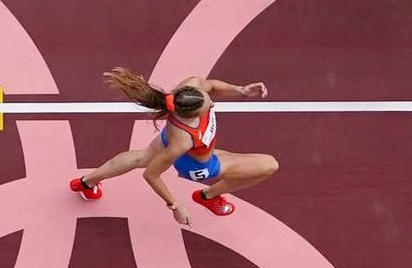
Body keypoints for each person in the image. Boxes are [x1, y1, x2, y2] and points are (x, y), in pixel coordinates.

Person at [70, 68, 278, 221]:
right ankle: (208, 196)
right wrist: (175, 205)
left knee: (141, 157)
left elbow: (211, 86)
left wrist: (240, 90)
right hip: (200, 165)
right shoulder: (183, 140)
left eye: (208, 100)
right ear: (191, 117)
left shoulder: (190, 90)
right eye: (208, 106)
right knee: (269, 165)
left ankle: (86, 182)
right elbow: (151, 175)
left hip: (172, 141)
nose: (212, 103)